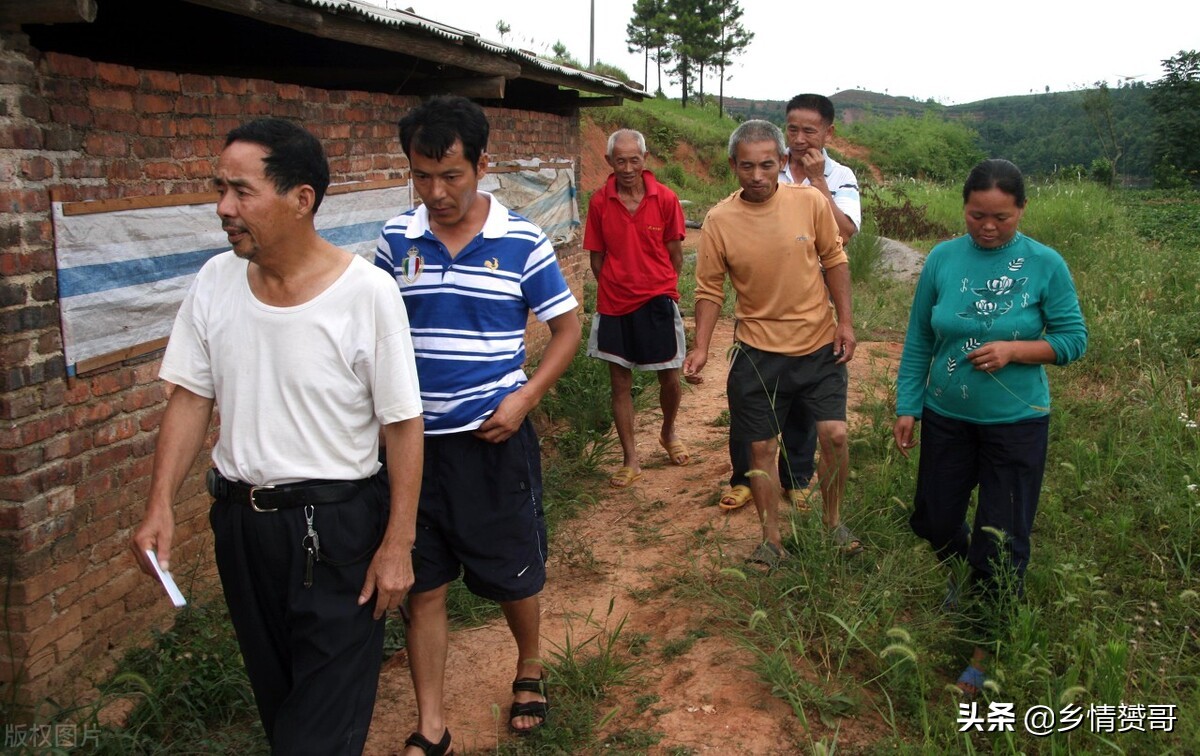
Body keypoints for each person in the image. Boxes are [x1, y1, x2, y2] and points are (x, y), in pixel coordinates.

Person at [130, 118, 425, 755]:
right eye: (220, 189)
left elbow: (402, 424)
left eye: (241, 191)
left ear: (301, 199)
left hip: (338, 532)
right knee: (280, 700)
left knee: (312, 737)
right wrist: (159, 505)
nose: (223, 208)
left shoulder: (366, 294)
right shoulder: (215, 281)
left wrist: (398, 543)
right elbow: (190, 398)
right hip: (241, 529)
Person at [375, 95, 581, 753]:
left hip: (493, 444)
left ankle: (529, 663)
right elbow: (372, 334)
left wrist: (526, 397)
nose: (436, 192)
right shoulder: (393, 241)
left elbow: (567, 329)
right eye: (422, 176)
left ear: (482, 165)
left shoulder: (521, 240)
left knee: (514, 573)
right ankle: (431, 724)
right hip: (412, 453)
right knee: (422, 585)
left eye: (452, 175)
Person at [892, 159, 1087, 695]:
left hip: (1016, 424)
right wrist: (908, 405)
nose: (988, 226)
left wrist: (1015, 350)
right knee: (933, 519)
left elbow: (1073, 339)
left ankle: (984, 648)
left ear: (1021, 209)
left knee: (1001, 538)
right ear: (964, 208)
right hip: (947, 416)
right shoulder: (943, 259)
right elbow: (919, 340)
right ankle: (968, 578)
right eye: (977, 214)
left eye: (1001, 216)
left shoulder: (1045, 264)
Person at [683, 119, 860, 567]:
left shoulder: (810, 203)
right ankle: (771, 540)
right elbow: (708, 289)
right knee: (761, 449)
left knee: (834, 435)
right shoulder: (720, 220)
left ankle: (832, 521)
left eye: (767, 165)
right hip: (759, 352)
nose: (757, 176)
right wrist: (701, 347)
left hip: (819, 344)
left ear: (782, 162)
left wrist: (846, 323)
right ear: (733, 166)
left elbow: (835, 259)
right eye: (747, 167)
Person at [723, 94, 862, 513]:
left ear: (828, 132)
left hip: (812, 303)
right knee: (752, 405)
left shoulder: (839, 176)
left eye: (810, 130)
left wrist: (818, 183)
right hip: (763, 304)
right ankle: (744, 477)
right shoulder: (766, 163)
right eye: (794, 129)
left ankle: (796, 476)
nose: (801, 139)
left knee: (804, 405)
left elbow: (844, 237)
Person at [584, 128, 689, 488]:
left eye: (634, 159)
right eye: (620, 160)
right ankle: (631, 459)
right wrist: (618, 286)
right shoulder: (600, 202)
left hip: (658, 300)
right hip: (614, 303)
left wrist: (658, 288)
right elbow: (597, 259)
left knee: (671, 377)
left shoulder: (666, 199)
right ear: (609, 161)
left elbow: (676, 255)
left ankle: (669, 432)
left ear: (645, 159)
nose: (627, 167)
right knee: (619, 383)